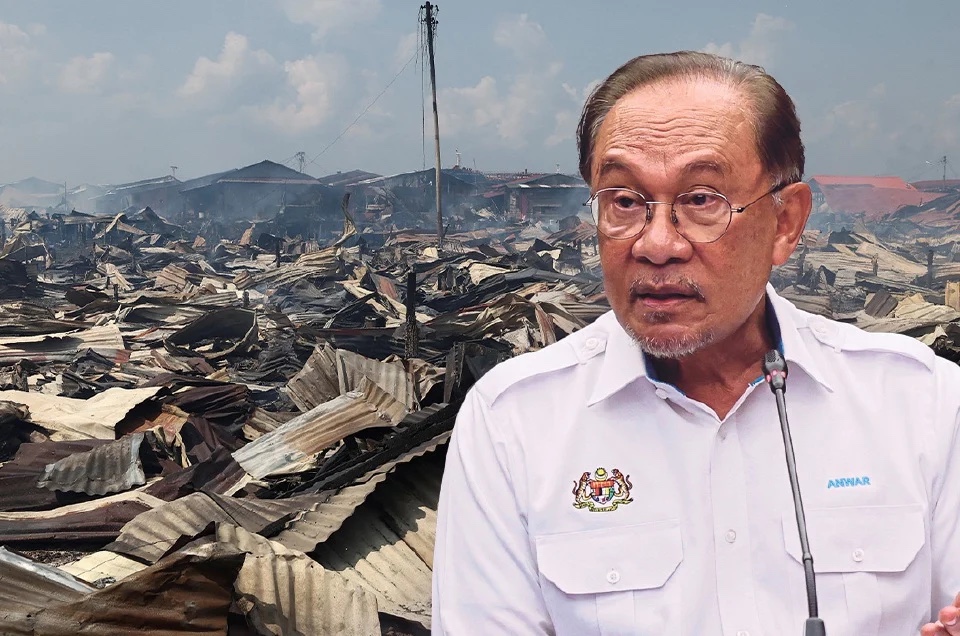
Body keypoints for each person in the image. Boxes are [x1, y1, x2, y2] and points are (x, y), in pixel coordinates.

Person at [431, 51, 960, 635]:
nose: (657, 245)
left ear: (785, 222)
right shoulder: (515, 422)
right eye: (624, 201)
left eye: (702, 199)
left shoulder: (922, 404)